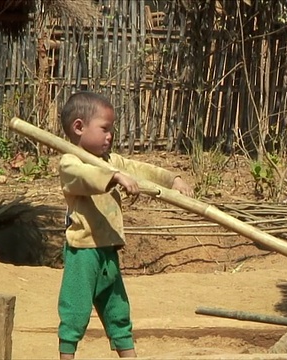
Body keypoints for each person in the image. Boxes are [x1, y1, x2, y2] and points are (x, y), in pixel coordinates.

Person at [56, 91, 193, 359]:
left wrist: (172, 179)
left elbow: (140, 169)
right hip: (83, 251)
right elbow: (83, 176)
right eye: (105, 128)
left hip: (108, 251)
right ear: (79, 127)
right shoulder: (70, 162)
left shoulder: (113, 162)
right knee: (75, 312)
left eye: (111, 130)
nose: (110, 136)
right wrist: (114, 177)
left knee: (118, 311)